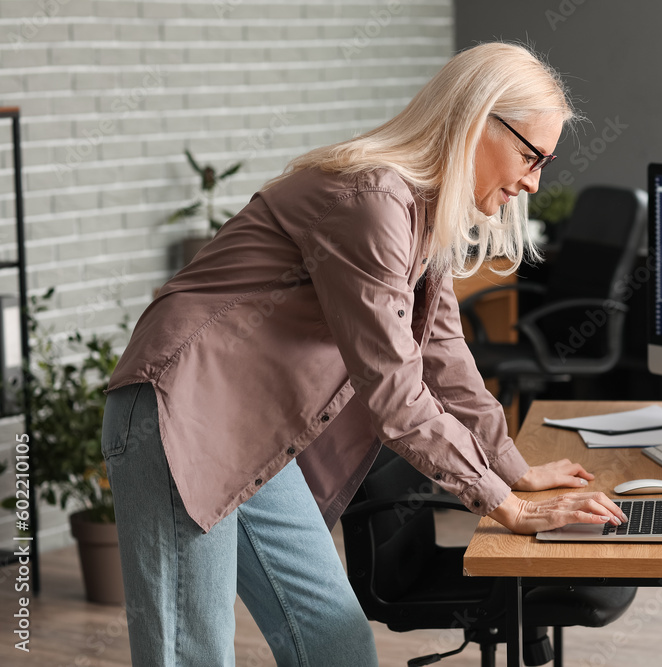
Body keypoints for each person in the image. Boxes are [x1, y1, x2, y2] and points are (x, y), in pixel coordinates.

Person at [101, 42, 627, 666]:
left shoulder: (423, 212)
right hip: (178, 415)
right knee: (190, 656)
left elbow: (444, 355)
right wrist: (503, 504)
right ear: (476, 120)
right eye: (530, 156)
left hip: (253, 430)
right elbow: (396, 394)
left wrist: (512, 466)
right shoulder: (371, 201)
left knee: (337, 647)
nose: (533, 182)